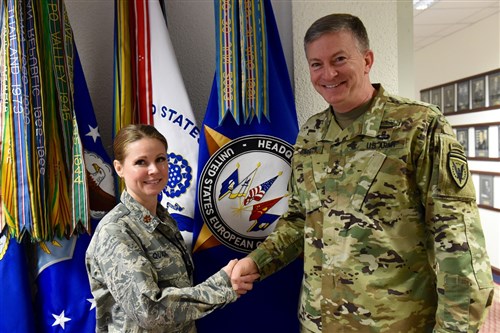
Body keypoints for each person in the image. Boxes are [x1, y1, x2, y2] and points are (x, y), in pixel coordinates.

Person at [231, 13, 494, 333]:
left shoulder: (419, 127)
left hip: (395, 324)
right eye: (316, 64)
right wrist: (256, 261)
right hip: (319, 323)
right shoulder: (310, 135)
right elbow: (300, 221)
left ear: (367, 59)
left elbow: (459, 245)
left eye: (339, 59)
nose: (328, 73)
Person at [85, 124, 256, 333]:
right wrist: (222, 286)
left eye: (160, 159)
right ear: (119, 168)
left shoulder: (164, 219)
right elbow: (149, 311)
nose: (154, 170)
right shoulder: (116, 231)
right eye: (141, 162)